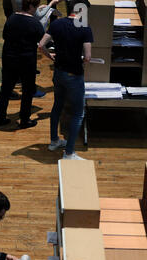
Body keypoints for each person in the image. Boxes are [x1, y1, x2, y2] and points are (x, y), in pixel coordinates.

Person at [39, 0, 93, 160]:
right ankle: (69, 153)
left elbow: (41, 45)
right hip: (74, 75)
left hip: (59, 73)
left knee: (58, 105)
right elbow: (88, 57)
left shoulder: (57, 24)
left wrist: (51, 56)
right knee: (77, 113)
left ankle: (54, 141)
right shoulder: (84, 28)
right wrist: (82, 59)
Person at [0, 0, 45, 129]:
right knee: (28, 91)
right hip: (26, 61)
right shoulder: (35, 23)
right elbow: (42, 43)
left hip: (9, 59)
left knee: (5, 90)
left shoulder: (11, 19)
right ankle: (24, 120)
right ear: (30, 6)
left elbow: (4, 35)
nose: (36, 10)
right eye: (36, 7)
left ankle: (0, 118)